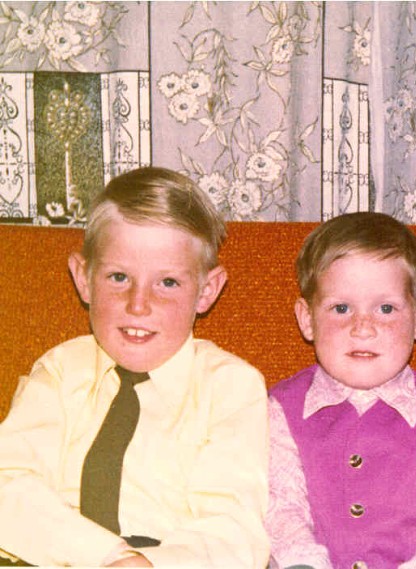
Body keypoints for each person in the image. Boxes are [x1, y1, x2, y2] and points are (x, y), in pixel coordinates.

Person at [0, 167, 270, 567]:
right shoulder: (60, 371)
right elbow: (8, 483)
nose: (138, 304)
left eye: (167, 283)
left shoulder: (231, 387)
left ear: (207, 290)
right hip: (55, 555)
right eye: (119, 277)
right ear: (84, 279)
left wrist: (149, 565)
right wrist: (106, 556)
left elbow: (233, 527)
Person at [266, 212, 416, 569]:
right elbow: (280, 510)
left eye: (385, 308)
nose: (363, 328)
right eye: (341, 308)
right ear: (307, 319)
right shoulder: (281, 408)